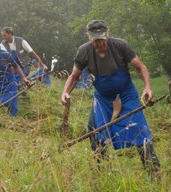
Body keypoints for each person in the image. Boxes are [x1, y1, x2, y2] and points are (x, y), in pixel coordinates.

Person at [60, 20, 160, 174]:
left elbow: (141, 67)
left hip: (126, 95)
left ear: (108, 34)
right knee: (95, 131)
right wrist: (65, 92)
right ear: (89, 38)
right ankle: (102, 171)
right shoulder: (84, 51)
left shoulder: (120, 46)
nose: (100, 43)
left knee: (140, 131)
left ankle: (154, 172)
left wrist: (147, 87)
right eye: (96, 40)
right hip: (103, 98)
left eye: (102, 39)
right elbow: (74, 77)